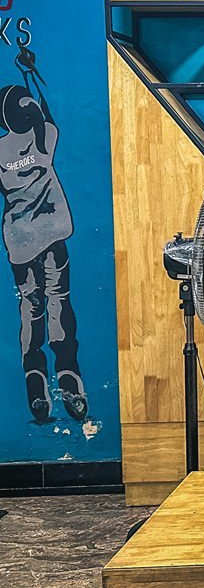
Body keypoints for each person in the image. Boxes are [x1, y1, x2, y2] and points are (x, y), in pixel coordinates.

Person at [0, 82, 85, 423]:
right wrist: (32, 72)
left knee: (29, 308)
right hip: (53, 236)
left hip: (19, 242)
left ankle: (35, 381)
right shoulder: (44, 138)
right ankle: (69, 376)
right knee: (58, 301)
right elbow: (48, 113)